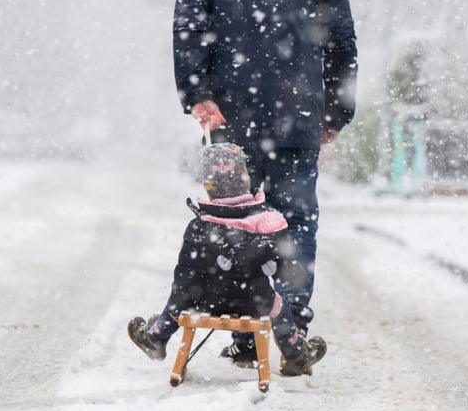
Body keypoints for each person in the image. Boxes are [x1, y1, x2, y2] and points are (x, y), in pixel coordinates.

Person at [172, 0, 358, 364]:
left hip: (232, 118)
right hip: (298, 119)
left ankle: (244, 332)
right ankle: (290, 326)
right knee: (294, 223)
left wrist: (198, 95)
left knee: (236, 223)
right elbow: (342, 41)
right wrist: (336, 111)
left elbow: (189, 29)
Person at [127, 143, 327, 377]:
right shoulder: (267, 223)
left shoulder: (199, 227)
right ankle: (295, 353)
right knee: (279, 305)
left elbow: (184, 279)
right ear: (246, 180)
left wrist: (175, 310)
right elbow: (288, 273)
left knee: (183, 293)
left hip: (205, 302)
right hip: (256, 302)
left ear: (208, 187)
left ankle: (156, 336)